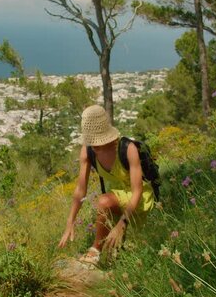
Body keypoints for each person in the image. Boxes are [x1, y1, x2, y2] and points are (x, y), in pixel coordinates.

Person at [58, 105, 155, 264]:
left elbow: (137, 191)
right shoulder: (88, 151)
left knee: (103, 201)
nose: (94, 146)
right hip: (118, 196)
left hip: (140, 199)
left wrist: (122, 223)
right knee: (106, 204)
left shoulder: (127, 149)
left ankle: (95, 251)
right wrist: (70, 221)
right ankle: (108, 254)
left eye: (97, 141)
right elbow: (80, 189)